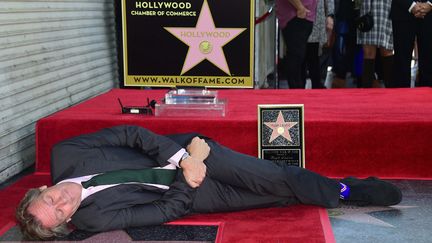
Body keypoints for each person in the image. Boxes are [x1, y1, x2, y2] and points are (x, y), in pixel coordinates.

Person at [16, 125, 402, 240]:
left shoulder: (65, 155)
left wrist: (186, 157)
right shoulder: (93, 219)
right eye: (60, 212)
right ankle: (338, 184)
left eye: (50, 199)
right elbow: (165, 210)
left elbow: (132, 134)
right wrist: (189, 174)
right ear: (67, 223)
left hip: (193, 151)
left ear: (42, 189)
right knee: (278, 197)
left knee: (280, 177)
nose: (61, 201)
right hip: (194, 192)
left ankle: (349, 191)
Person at [276, 0, 318, 89]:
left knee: (298, 56)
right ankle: (295, 90)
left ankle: (297, 89)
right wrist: (300, 7)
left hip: (301, 14)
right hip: (295, 14)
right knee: (296, 56)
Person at [390, 0, 432, 87]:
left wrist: (430, 4)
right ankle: (400, 98)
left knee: (429, 59)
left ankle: (427, 98)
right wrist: (411, 5)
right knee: (401, 62)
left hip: (430, 14)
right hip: (402, 10)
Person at [357, 0, 395, 88]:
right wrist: (357, 7)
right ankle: (366, 91)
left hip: (386, 7)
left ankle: (391, 91)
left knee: (387, 49)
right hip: (366, 7)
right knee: (368, 52)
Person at [302, 0, 335, 89]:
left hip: (316, 15)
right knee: (300, 57)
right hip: (297, 14)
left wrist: (330, 15)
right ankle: (299, 88)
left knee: (314, 54)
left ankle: (316, 86)